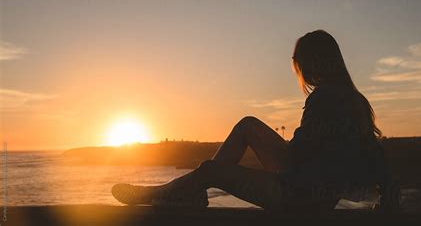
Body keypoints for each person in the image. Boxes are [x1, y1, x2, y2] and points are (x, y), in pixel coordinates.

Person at [112, 30, 395, 212]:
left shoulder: (322, 99)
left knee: (211, 170)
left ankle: (164, 194)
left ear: (314, 62)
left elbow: (300, 157)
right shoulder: (356, 101)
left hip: (299, 197)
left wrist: (271, 159)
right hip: (317, 193)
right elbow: (374, 155)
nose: (300, 69)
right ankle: (188, 192)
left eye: (300, 61)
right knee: (248, 125)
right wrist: (389, 199)